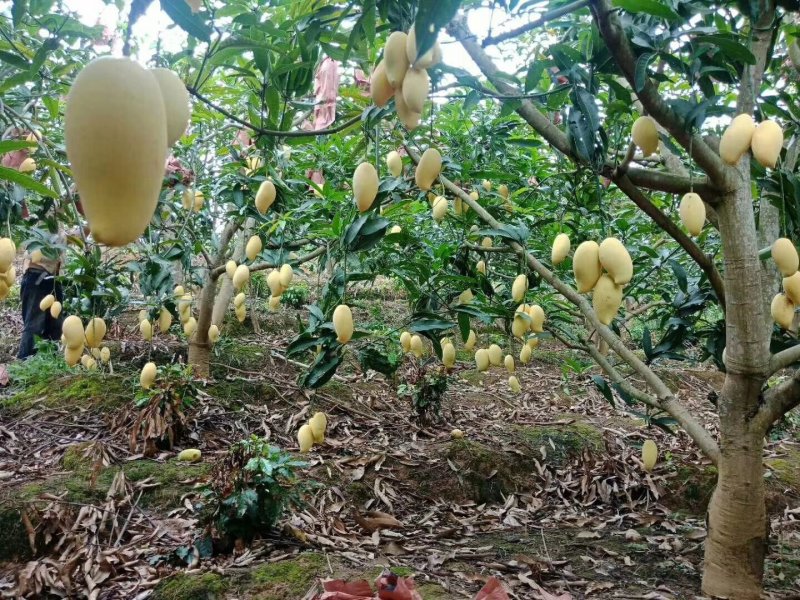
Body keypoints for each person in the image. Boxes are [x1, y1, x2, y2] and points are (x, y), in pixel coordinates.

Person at [17, 201, 88, 359]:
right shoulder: (41, 221)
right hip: (36, 277)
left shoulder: (60, 233)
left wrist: (92, 219)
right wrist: (76, 190)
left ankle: (50, 359)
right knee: (34, 323)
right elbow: (60, 201)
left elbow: (80, 233)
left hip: (54, 280)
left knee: (55, 324)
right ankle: (24, 362)